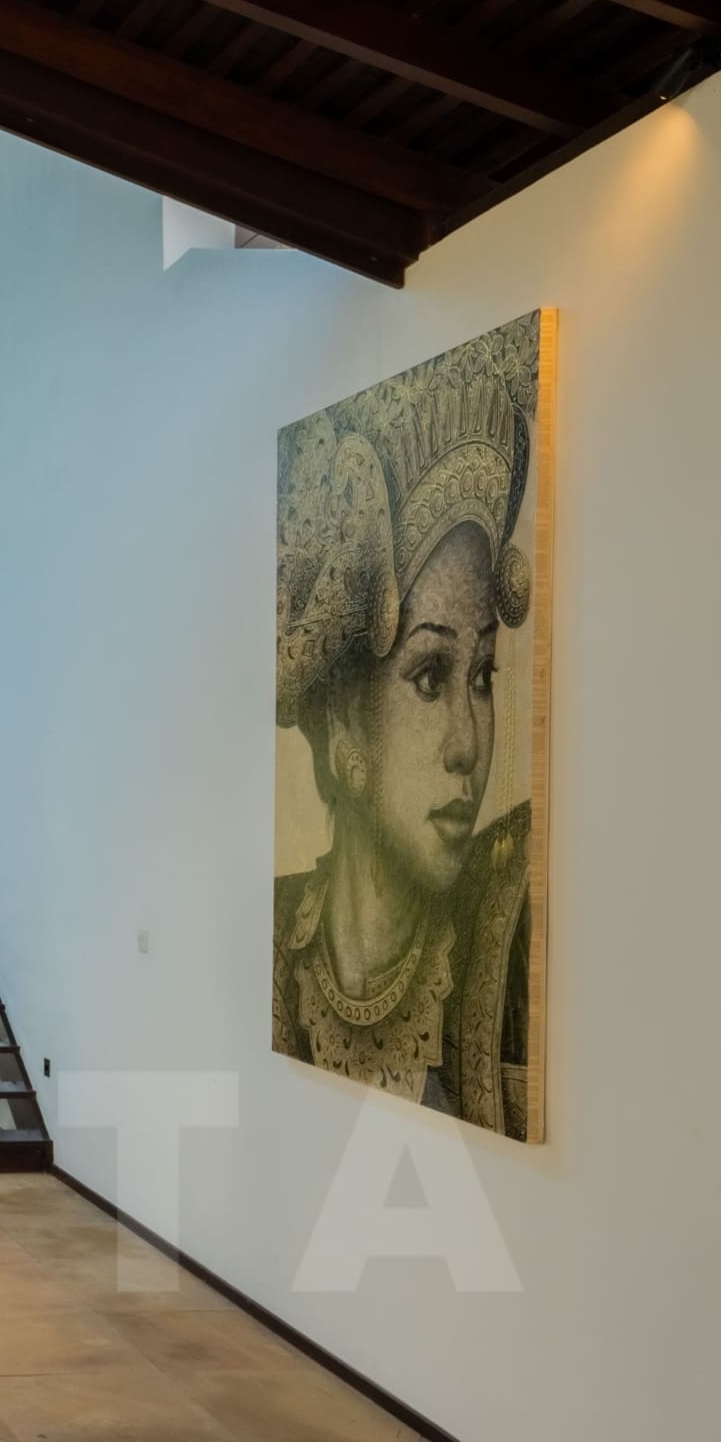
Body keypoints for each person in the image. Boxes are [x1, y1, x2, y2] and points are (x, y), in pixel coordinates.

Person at [273, 318, 539, 1140]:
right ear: (346, 726)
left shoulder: (514, 935)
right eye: (430, 677)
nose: (469, 744)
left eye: (484, 677)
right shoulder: (278, 943)